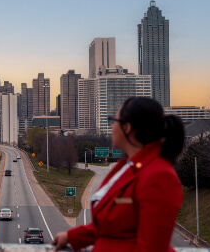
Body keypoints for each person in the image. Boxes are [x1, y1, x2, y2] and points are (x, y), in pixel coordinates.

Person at [52, 97, 185, 252]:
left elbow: (151, 249)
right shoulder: (125, 168)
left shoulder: (159, 176)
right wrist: (73, 237)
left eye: (114, 121)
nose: (112, 127)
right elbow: (110, 227)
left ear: (127, 127)